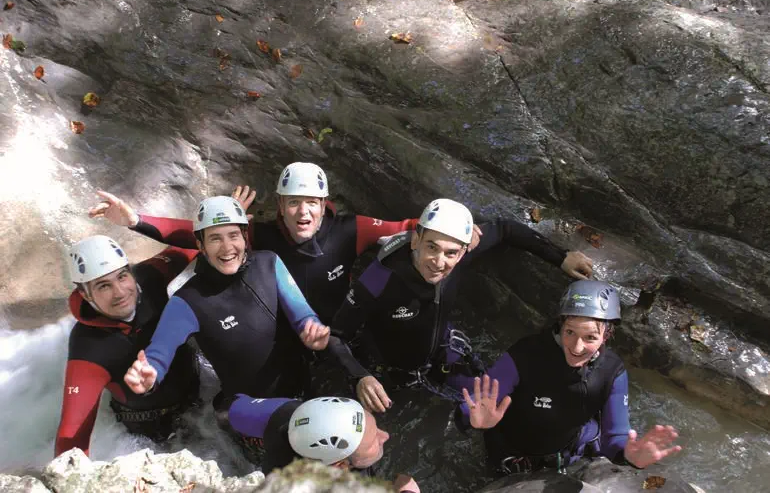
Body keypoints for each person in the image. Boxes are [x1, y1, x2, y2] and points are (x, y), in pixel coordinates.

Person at [87, 162, 467, 324]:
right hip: (286, 329)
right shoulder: (262, 235)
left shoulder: (350, 229)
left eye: (311, 203)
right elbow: (197, 234)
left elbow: (408, 227)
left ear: (323, 205)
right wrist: (135, 221)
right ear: (281, 206)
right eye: (294, 203)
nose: (303, 212)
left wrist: (462, 232)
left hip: (340, 327)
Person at [332, 198, 594, 413]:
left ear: (463, 251)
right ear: (415, 240)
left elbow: (505, 229)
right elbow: (335, 335)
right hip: (393, 369)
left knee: (497, 401)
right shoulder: (379, 279)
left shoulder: (462, 250)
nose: (439, 262)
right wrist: (360, 376)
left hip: (441, 351)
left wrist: (561, 257)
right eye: (431, 247)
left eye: (451, 253)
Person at [122, 196, 332, 443]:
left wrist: (313, 330)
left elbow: (302, 314)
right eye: (215, 238)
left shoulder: (268, 263)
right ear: (200, 245)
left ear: (244, 236)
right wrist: (150, 375)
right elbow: (159, 353)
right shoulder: (186, 301)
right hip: (249, 407)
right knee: (301, 427)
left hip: (302, 385)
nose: (227, 247)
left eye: (233, 235)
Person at [458, 280, 682, 475]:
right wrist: (474, 419)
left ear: (607, 335)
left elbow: (614, 437)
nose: (577, 347)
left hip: (567, 459)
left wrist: (630, 456)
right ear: (560, 325)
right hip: (510, 458)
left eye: (590, 337)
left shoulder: (612, 371)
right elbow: (472, 405)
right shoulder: (525, 355)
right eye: (570, 332)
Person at [56, 235, 200, 457]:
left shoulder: (149, 277)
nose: (120, 292)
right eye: (104, 286)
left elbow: (193, 240)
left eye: (122, 277)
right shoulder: (87, 347)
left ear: (130, 272)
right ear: (85, 294)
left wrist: (138, 221)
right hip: (148, 426)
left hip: (198, 394)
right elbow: (72, 432)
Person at [225, 395, 419, 492]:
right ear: (341, 465)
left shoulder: (290, 413)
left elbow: (230, 407)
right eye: (372, 442)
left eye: (376, 429)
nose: (386, 436)